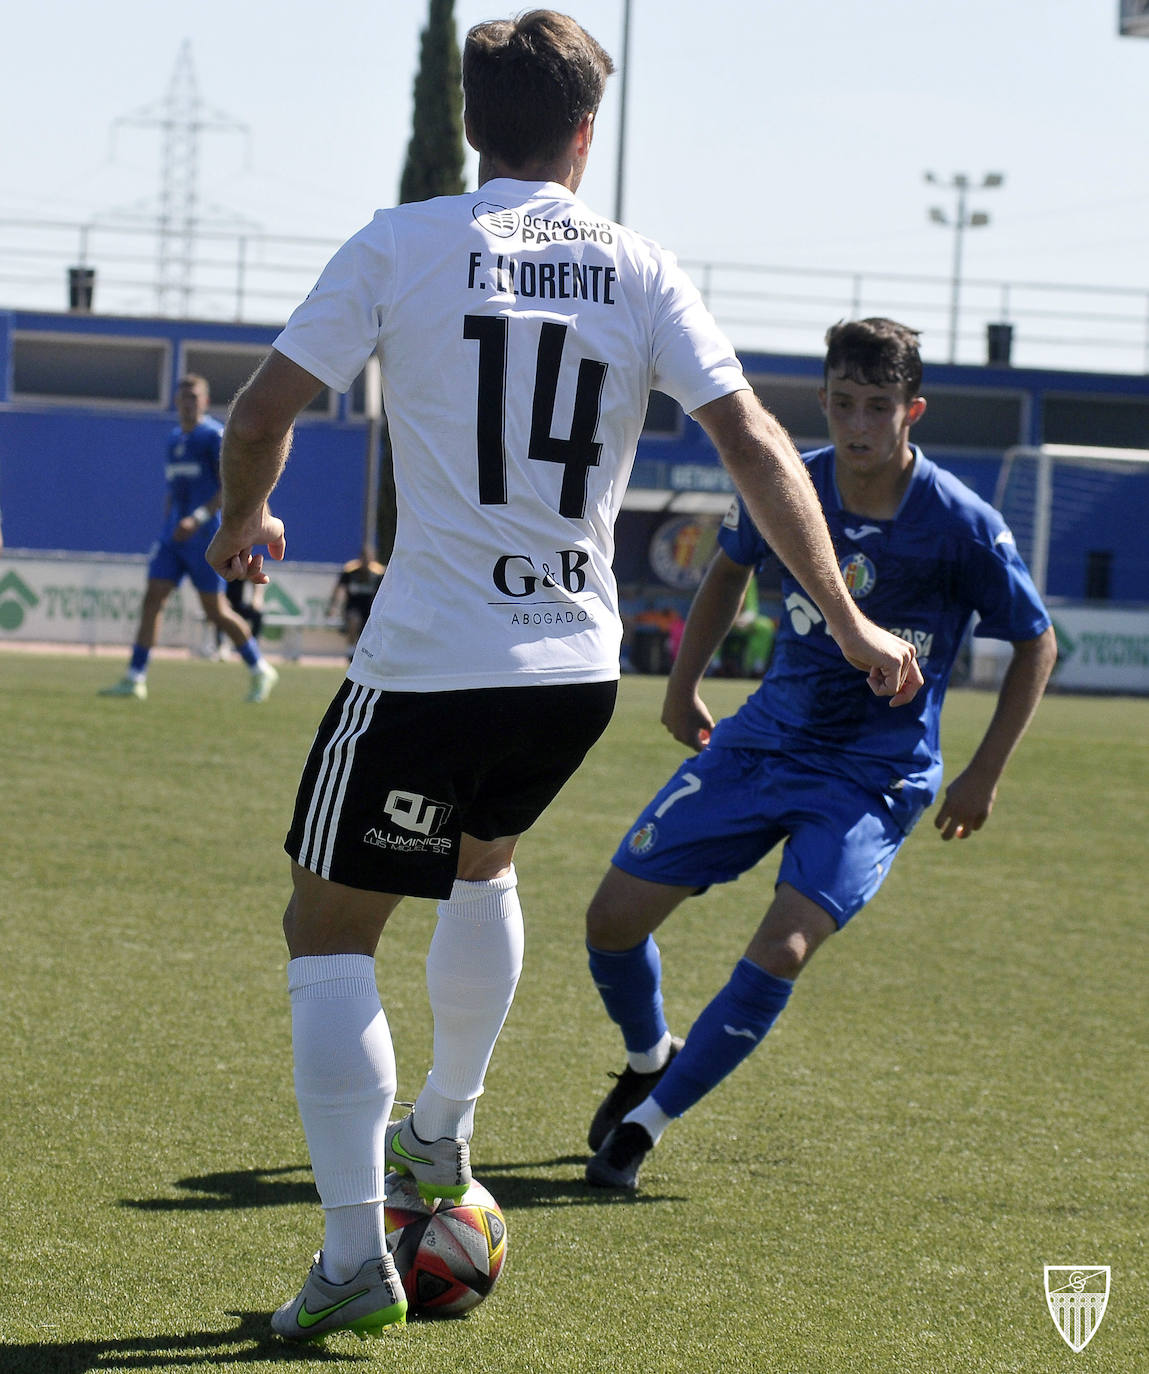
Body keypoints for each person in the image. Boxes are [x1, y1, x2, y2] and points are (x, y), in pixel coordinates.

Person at [205, 16, 921, 1344]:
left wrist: (244, 520)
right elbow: (755, 442)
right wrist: (849, 616)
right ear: (585, 132)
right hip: (574, 666)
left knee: (327, 932)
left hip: (428, 664)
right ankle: (441, 1133)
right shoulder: (640, 269)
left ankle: (358, 1252)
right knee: (485, 865)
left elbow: (257, 414)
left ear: (475, 123)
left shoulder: (402, 241)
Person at [581, 317, 1058, 1192]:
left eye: (878, 407)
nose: (857, 425)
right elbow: (726, 568)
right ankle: (650, 1055)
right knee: (608, 922)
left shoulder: (961, 524)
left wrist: (983, 772)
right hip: (763, 741)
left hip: (873, 774)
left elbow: (1035, 640)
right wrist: (683, 684)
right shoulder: (788, 486)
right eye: (842, 403)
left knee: (785, 943)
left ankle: (644, 1128)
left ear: (910, 410)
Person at [99, 375, 279, 702]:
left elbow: (230, 488)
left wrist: (196, 519)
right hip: (173, 537)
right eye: (183, 397)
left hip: (205, 537)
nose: (187, 403)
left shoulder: (213, 436)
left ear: (205, 402)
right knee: (152, 598)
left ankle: (260, 668)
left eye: (194, 397)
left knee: (216, 611)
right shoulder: (173, 440)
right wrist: (167, 526)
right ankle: (135, 677)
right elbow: (174, 491)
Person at [327, 544, 386, 659]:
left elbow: (385, 592)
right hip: (353, 607)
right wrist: (333, 607)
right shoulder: (351, 571)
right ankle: (351, 650)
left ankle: (370, 655)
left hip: (371, 609)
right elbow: (339, 589)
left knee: (372, 631)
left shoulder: (378, 573)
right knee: (354, 619)